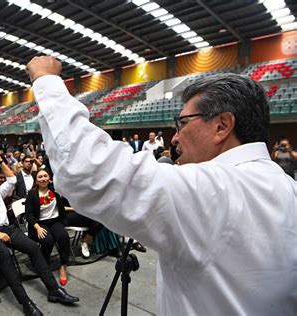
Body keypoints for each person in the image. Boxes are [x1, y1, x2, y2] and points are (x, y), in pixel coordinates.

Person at [26, 56, 296, 315]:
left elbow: (87, 171)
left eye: (183, 123)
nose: (175, 138)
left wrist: (46, 80)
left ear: (222, 125)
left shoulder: (217, 189)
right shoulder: (288, 188)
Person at [0, 154, 79, 316]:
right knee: (5, 255)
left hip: (7, 229)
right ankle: (26, 303)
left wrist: (1, 161)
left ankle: (54, 290)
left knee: (33, 247)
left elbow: (12, 179)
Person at [24, 169, 71, 285]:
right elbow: (29, 215)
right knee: (47, 241)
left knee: (64, 237)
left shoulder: (55, 192)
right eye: (40, 177)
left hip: (54, 222)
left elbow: (61, 208)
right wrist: (38, 227)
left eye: (45, 176)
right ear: (36, 181)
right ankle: (43, 264)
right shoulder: (32, 194)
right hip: (38, 224)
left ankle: (63, 266)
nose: (43, 178)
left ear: (49, 178)